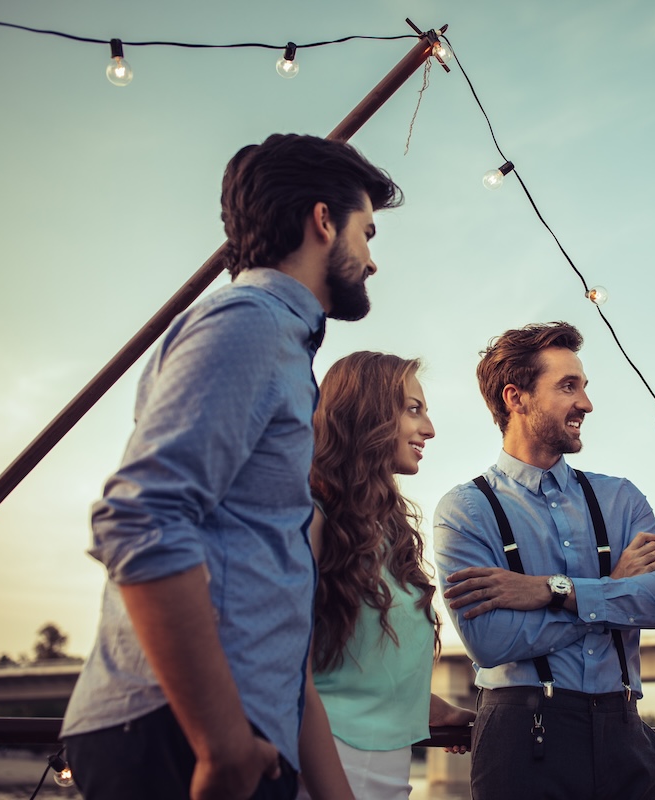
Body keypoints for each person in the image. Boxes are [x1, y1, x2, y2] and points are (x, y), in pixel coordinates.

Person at [61, 133, 403, 800]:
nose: (371, 260)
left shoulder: (275, 341)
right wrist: (220, 744)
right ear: (322, 220)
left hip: (217, 734)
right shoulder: (250, 324)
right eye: (367, 232)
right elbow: (141, 515)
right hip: (181, 738)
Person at [433, 321, 655, 800]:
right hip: (520, 736)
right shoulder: (465, 510)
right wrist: (611, 588)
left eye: (584, 387)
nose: (587, 404)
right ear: (516, 397)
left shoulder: (621, 498)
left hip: (625, 735)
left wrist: (554, 590)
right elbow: (490, 642)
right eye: (567, 387)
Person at [300, 352, 475, 799]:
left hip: (386, 773)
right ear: (367, 414)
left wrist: (431, 709)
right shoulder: (311, 518)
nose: (430, 429)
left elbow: (357, 667)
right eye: (413, 409)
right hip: (321, 770)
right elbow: (284, 672)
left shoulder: (385, 532)